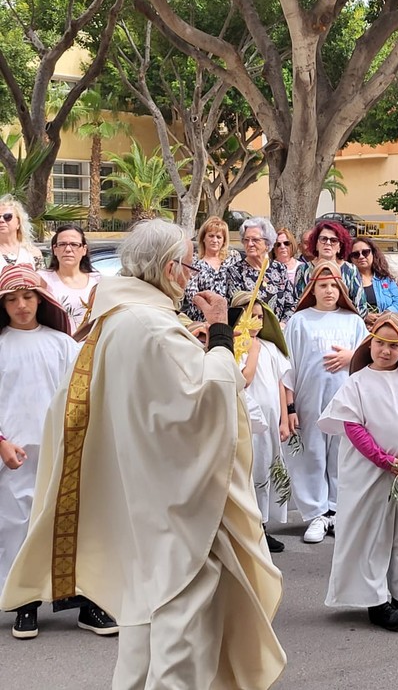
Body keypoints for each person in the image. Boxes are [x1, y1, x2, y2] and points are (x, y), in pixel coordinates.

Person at [0, 221, 285, 687]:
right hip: (177, 506)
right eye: (190, 264)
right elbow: (207, 403)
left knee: (142, 622)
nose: (192, 276)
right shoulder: (153, 326)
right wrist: (218, 334)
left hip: (138, 490)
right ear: (170, 267)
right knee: (181, 628)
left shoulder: (115, 320)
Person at [0, 266, 117, 640]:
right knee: (19, 528)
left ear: (42, 299)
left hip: (62, 450)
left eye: (28, 297)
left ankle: (85, 603)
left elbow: (84, 395)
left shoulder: (62, 344)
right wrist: (1, 441)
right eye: (12, 299)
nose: (21, 305)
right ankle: (25, 605)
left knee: (71, 525)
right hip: (13, 456)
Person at [318, 313, 398, 631]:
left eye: (393, 346)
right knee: (372, 534)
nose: (385, 351)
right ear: (370, 343)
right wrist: (381, 459)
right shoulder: (358, 382)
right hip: (370, 473)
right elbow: (352, 425)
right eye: (380, 343)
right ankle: (376, 601)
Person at [283, 261, 369, 544]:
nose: (329, 290)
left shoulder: (353, 321)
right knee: (312, 453)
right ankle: (316, 513)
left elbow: (370, 357)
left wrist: (350, 357)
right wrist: (290, 406)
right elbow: (288, 365)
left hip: (344, 400)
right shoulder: (300, 321)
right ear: (313, 289)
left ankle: (337, 510)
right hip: (310, 399)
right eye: (323, 285)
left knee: (341, 455)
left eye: (334, 285)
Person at [232, 291, 293, 553]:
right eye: (250, 317)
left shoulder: (269, 348)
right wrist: (251, 350)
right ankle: (248, 528)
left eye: (259, 317)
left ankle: (263, 524)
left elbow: (279, 383)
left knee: (267, 469)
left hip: (270, 420)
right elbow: (244, 379)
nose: (256, 323)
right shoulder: (237, 347)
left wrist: (283, 417)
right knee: (250, 469)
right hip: (248, 420)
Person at [227, 217, 297, 322]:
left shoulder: (279, 269)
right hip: (251, 334)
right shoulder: (235, 272)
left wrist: (282, 325)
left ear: (267, 243)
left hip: (280, 332)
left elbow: (291, 304)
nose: (250, 244)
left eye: (255, 240)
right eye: (246, 240)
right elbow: (236, 309)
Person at [38, 223, 100, 333]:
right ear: (55, 249)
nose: (68, 249)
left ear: (84, 250)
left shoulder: (97, 281)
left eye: (74, 244)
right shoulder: (42, 279)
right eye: (62, 244)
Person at [295, 221, 366, 314]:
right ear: (315, 244)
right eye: (323, 239)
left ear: (340, 246)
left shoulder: (351, 270)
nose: (328, 243)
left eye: (333, 240)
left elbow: (361, 306)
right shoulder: (303, 270)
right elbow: (297, 303)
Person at [181, 215, 238, 321]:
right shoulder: (194, 262)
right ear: (203, 238)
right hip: (201, 316)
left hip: (228, 316)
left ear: (224, 241)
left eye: (219, 237)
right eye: (211, 236)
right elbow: (191, 293)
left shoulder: (232, 260)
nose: (215, 240)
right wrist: (211, 310)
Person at [351, 236, 398, 328]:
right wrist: (364, 315)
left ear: (373, 253)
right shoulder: (349, 282)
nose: (361, 256)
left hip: (385, 327)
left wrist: (383, 317)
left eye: (365, 252)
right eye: (356, 254)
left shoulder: (386, 279)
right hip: (359, 329)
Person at [0, 196, 43, 272]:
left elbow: (42, 281)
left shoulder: (33, 252)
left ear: (19, 222)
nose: (1, 220)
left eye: (7, 216)